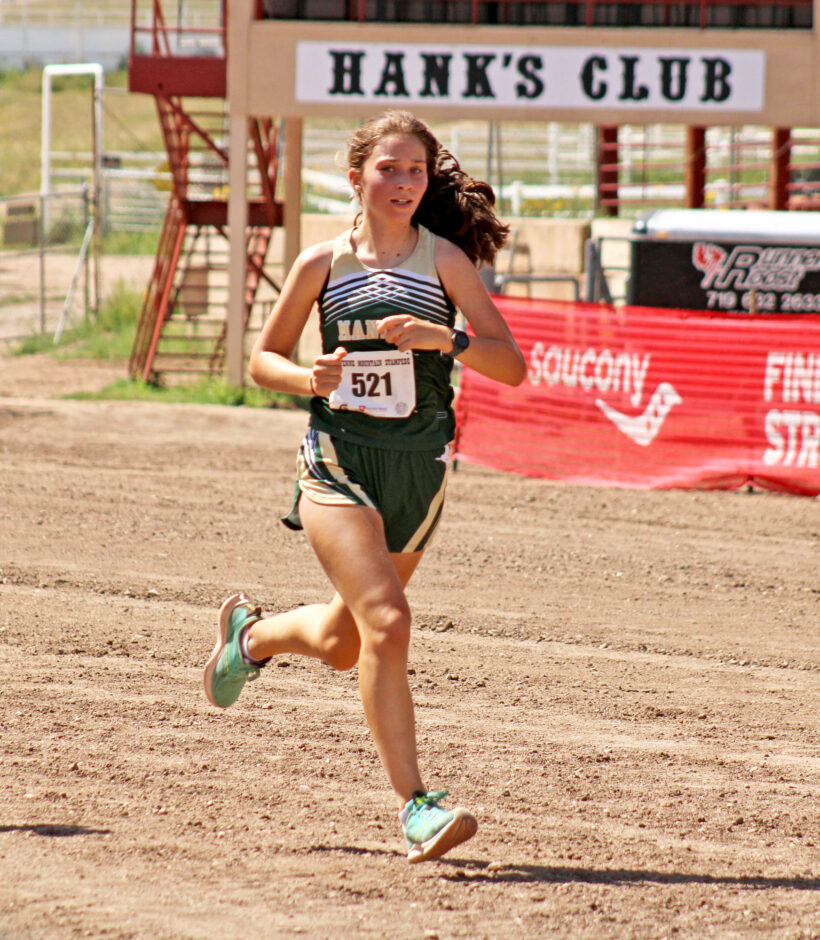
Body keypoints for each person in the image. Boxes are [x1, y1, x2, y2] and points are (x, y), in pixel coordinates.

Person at [203, 110, 526, 863]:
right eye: (390, 169)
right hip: (337, 460)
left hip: (419, 472)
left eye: (416, 170)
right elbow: (263, 361)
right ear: (357, 178)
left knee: (348, 641)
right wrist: (305, 376)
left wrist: (445, 338)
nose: (405, 182)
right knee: (388, 620)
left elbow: (510, 365)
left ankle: (249, 639)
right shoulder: (321, 265)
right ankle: (418, 806)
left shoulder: (446, 262)